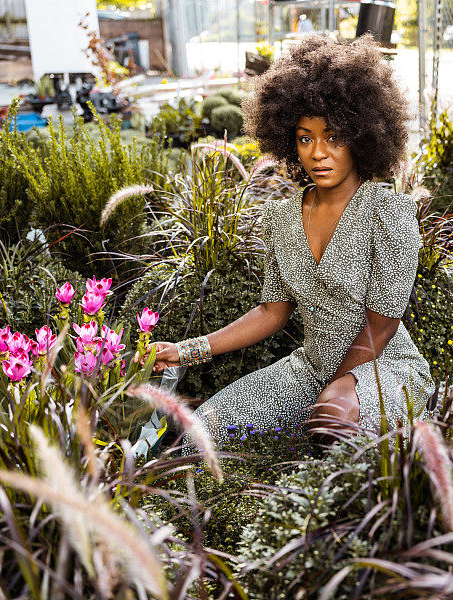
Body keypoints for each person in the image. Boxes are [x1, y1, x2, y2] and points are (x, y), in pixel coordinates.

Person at [144, 36, 434, 444]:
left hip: (383, 366)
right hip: (310, 367)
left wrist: (329, 393)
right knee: (200, 432)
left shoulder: (390, 213)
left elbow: (382, 324)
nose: (318, 152)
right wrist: (186, 349)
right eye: (304, 138)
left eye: (333, 137)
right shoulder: (281, 218)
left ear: (361, 136)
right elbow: (271, 312)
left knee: (331, 423)